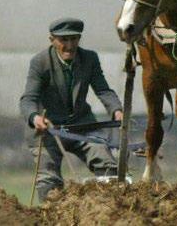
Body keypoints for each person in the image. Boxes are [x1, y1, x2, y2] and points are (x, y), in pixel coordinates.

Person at [20, 17, 124, 202]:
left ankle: (109, 211)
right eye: (64, 40)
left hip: (82, 126)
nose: (69, 45)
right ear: (52, 40)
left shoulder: (89, 58)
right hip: (48, 130)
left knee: (109, 168)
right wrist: (35, 117)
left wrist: (117, 110)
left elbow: (103, 90)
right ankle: (50, 216)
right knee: (48, 179)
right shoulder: (40, 62)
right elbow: (28, 99)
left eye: (74, 39)